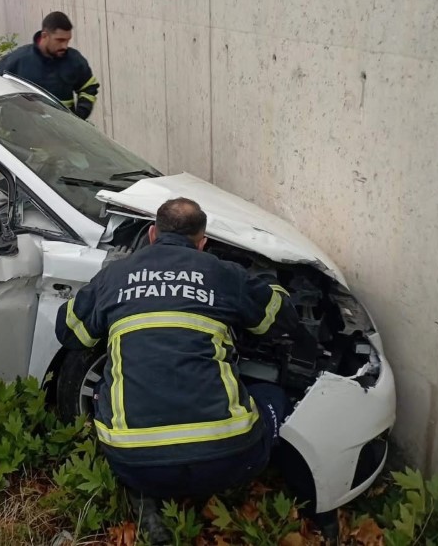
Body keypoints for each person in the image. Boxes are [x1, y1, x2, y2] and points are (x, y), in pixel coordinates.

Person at [55, 197, 315, 544]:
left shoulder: (114, 277)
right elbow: (277, 316)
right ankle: (299, 499)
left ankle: (145, 492)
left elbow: (70, 331)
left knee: (110, 385)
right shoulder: (223, 273)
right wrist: (269, 281)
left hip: (133, 461)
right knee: (273, 395)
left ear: (151, 234)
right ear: (203, 242)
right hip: (230, 462)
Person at [0, 11, 100, 120]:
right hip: (25, 131)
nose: (64, 46)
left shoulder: (74, 60)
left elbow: (89, 88)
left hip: (64, 131)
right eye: (60, 40)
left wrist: (79, 117)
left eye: (67, 40)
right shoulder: (17, 61)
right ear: (45, 35)